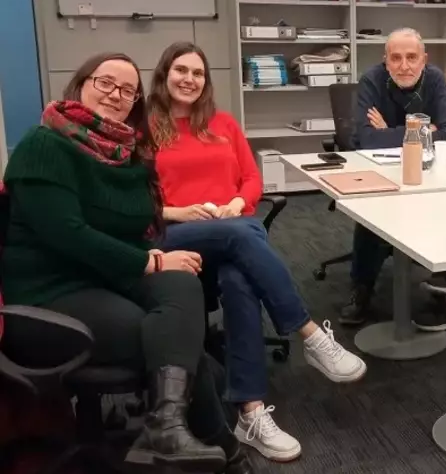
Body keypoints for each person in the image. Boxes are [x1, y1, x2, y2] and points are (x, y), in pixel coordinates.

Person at [0, 52, 250, 473]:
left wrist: (153, 257)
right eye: (105, 83)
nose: (116, 95)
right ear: (81, 84)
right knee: (180, 344)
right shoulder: (45, 145)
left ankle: (166, 427)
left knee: (182, 284)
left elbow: (134, 227)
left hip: (106, 275)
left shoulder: (128, 154)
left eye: (129, 90)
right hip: (51, 291)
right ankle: (221, 446)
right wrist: (150, 263)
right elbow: (68, 235)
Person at [149, 42, 367, 462]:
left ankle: (249, 413)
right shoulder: (145, 130)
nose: (189, 79)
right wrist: (177, 211)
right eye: (180, 70)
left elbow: (251, 179)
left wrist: (236, 202)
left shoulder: (223, 124)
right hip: (175, 234)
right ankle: (309, 333)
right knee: (244, 235)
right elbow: (134, 202)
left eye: (198, 73)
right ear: (164, 74)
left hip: (229, 227)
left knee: (239, 278)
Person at [342, 27, 446, 331]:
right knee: (373, 213)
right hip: (378, 168)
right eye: (396, 58)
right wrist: (421, 130)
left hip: (427, 169)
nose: (404, 66)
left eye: (412, 57)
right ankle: (361, 288)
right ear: (385, 60)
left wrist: (389, 130)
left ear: (424, 59)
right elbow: (366, 139)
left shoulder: (435, 79)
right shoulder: (372, 80)